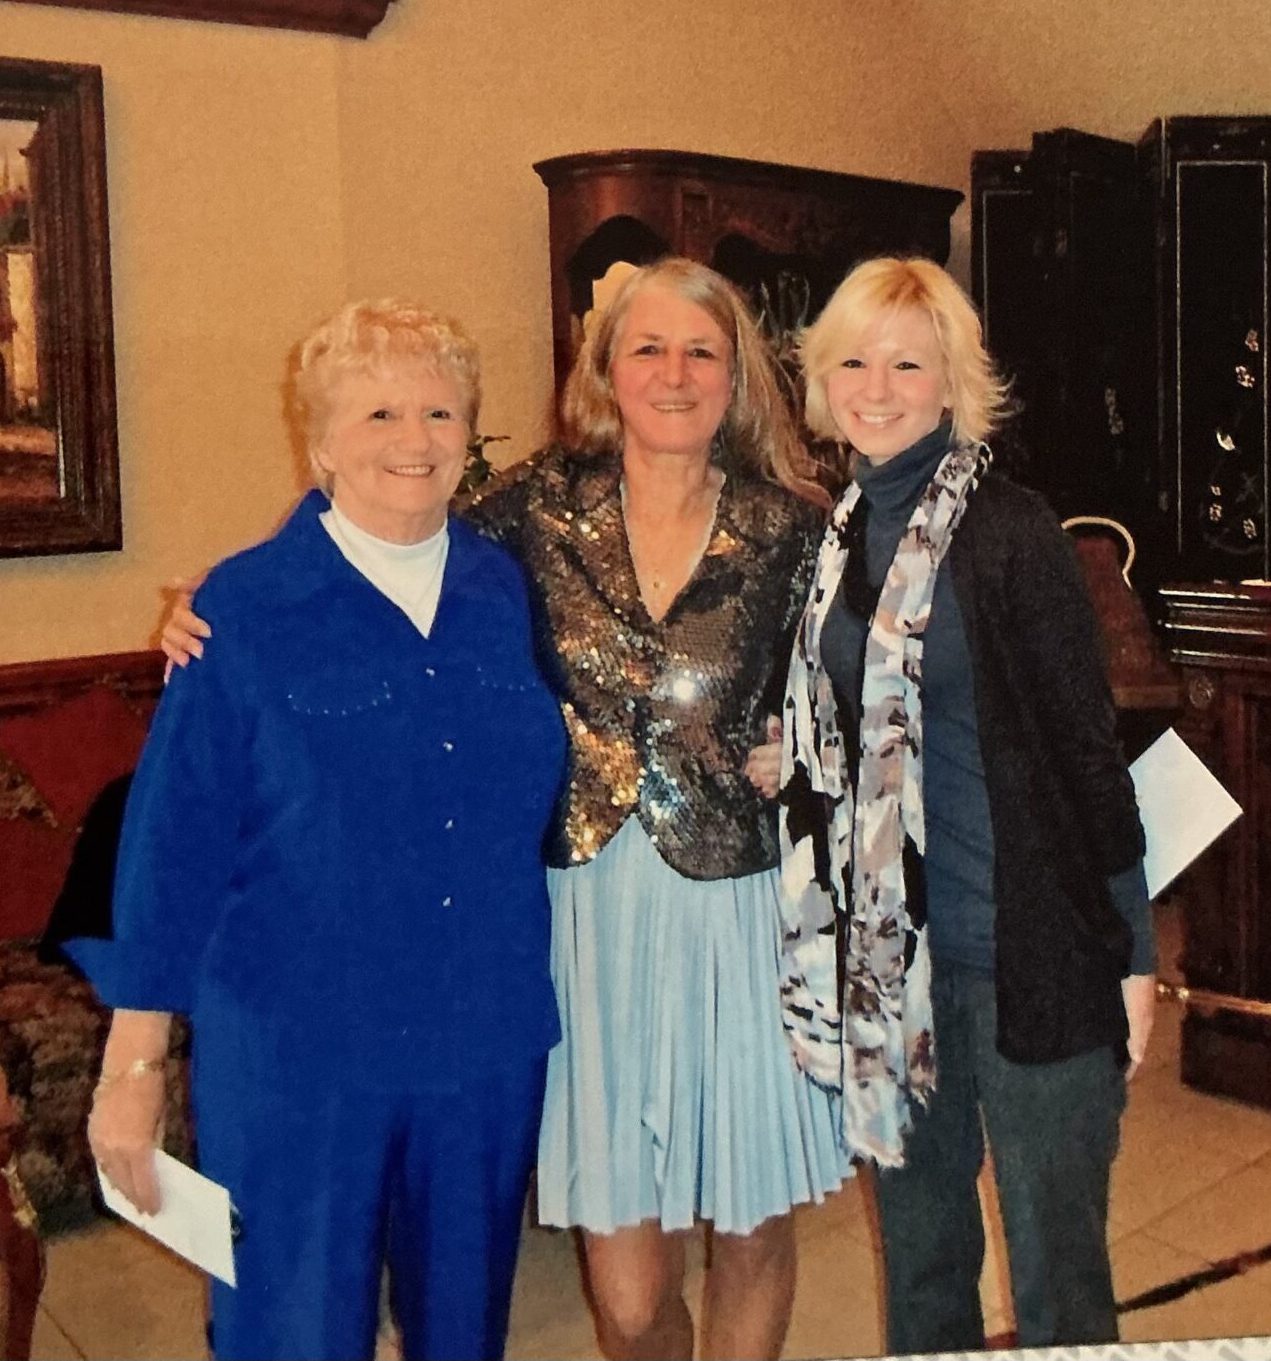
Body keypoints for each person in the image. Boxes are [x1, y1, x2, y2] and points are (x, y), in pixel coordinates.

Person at [163, 258, 850, 1361]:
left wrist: (809, 754)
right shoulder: (533, 510)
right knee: (627, 1296)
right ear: (605, 373)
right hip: (582, 913)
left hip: (738, 908)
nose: (673, 374)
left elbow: (868, 697)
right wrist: (217, 601)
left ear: (738, 379)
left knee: (753, 1223)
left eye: (702, 352)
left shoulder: (798, 530)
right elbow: (388, 513)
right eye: (647, 349)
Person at [69, 299, 568, 1361]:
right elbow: (173, 848)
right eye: (379, 411)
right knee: (292, 1333)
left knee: (463, 1334)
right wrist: (135, 1067)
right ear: (320, 440)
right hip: (301, 1057)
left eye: (440, 411)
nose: (414, 440)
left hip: (478, 1039)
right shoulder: (242, 609)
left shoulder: (501, 588)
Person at [771, 255, 1156, 1352]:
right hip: (896, 967)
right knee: (927, 1264)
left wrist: (1133, 953)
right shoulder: (838, 535)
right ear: (823, 376)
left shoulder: (1013, 530)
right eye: (854, 359)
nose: (877, 385)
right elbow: (842, 719)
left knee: (1056, 1281)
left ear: (953, 381)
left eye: (907, 362)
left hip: (1029, 951)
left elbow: (1091, 754)